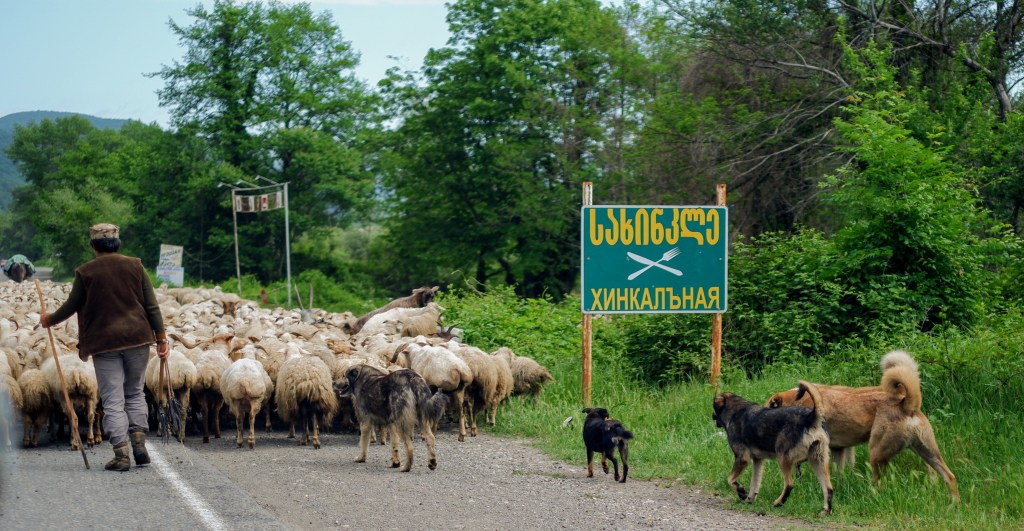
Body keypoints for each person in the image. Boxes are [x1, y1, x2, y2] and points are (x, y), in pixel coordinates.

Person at [40, 223, 170, 471]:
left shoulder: (85, 272)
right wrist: (161, 338)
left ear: (93, 245)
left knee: (112, 398)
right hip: (138, 339)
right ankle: (139, 444)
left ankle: (121, 455)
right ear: (117, 243)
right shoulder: (135, 265)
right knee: (135, 392)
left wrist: (49, 320)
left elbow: (71, 306)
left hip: (104, 343)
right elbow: (152, 306)